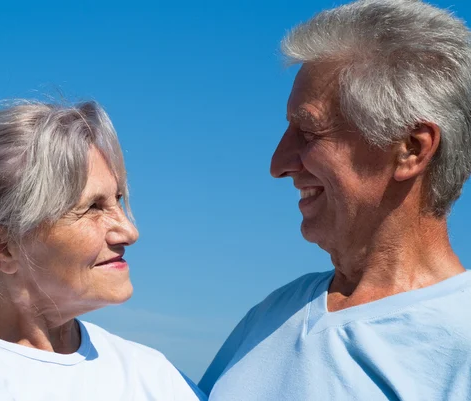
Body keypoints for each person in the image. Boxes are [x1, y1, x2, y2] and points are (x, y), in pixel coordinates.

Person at [200, 0, 471, 399]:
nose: (278, 164)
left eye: (308, 131)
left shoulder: (459, 343)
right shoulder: (274, 314)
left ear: (411, 148)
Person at [0, 100, 206, 401]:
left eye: (117, 200)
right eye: (92, 208)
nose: (128, 232)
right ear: (0, 248)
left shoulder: (153, 372)